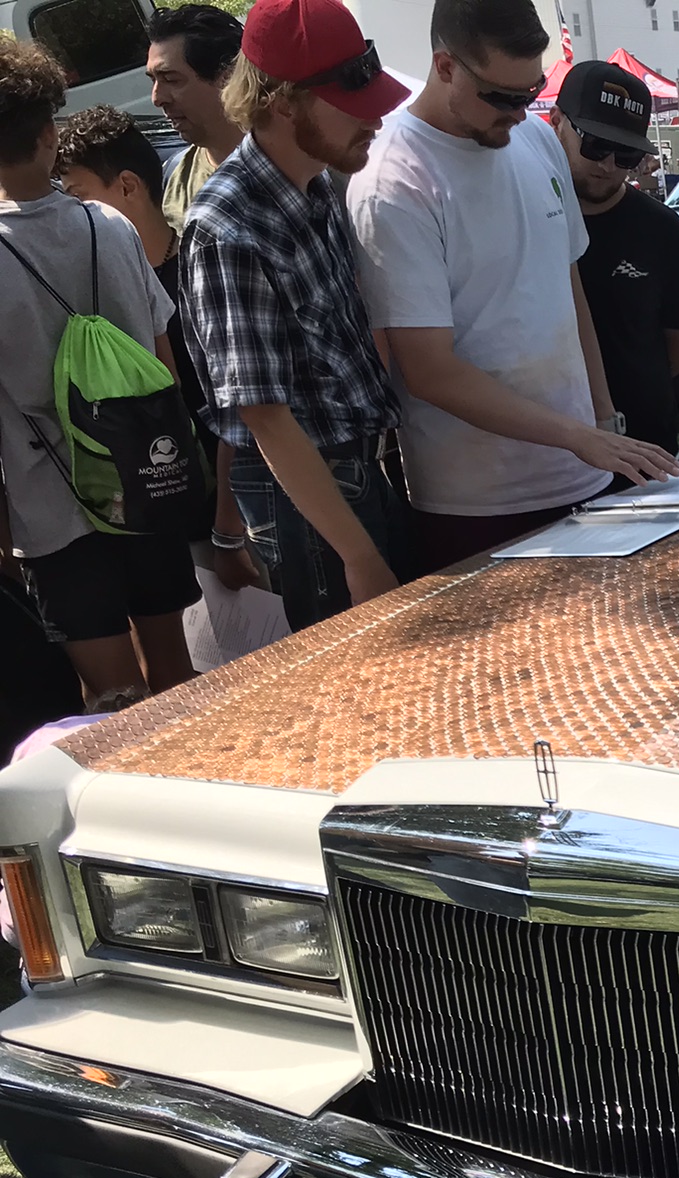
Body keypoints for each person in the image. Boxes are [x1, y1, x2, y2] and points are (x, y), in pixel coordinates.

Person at [348, 0, 676, 573]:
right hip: (478, 504)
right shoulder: (393, 178)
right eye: (502, 97)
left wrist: (603, 424)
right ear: (445, 67)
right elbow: (428, 371)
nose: (519, 113)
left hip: (587, 476)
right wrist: (581, 437)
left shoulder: (535, 140)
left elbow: (567, 289)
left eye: (531, 94)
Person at [181, 0, 414, 629]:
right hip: (311, 505)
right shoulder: (227, 227)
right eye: (352, 99)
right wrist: (359, 556)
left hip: (356, 473)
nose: (377, 115)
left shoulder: (315, 181)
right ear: (283, 101)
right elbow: (264, 417)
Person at [0, 38, 198, 705]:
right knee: (177, 681)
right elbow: (160, 355)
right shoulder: (110, 226)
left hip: (52, 519)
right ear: (49, 133)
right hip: (144, 483)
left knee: (117, 706)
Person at [52, 106, 254, 594]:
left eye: (77, 195)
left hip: (232, 521)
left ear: (126, 186)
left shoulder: (200, 270)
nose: (71, 212)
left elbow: (239, 413)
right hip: (152, 525)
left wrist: (229, 532)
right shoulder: (93, 304)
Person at [551, 61, 679, 451]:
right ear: (556, 123)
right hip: (550, 447)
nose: (607, 165)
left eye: (626, 155)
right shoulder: (529, 219)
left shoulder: (662, 230)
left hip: (643, 443)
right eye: (596, 145)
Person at [147, 4, 245, 232]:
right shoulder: (174, 179)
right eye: (153, 80)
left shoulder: (295, 162)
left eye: (171, 79)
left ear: (227, 77)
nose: (157, 98)